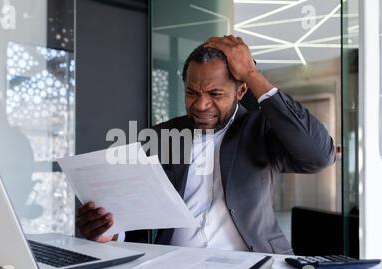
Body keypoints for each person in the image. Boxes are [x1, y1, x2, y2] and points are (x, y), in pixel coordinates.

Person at [76, 36, 335, 254]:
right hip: (173, 268)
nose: (200, 105)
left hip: (252, 266)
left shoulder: (261, 131)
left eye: (215, 94)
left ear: (241, 91)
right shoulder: (160, 136)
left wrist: (252, 74)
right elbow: (138, 221)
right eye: (192, 92)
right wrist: (109, 234)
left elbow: (319, 155)